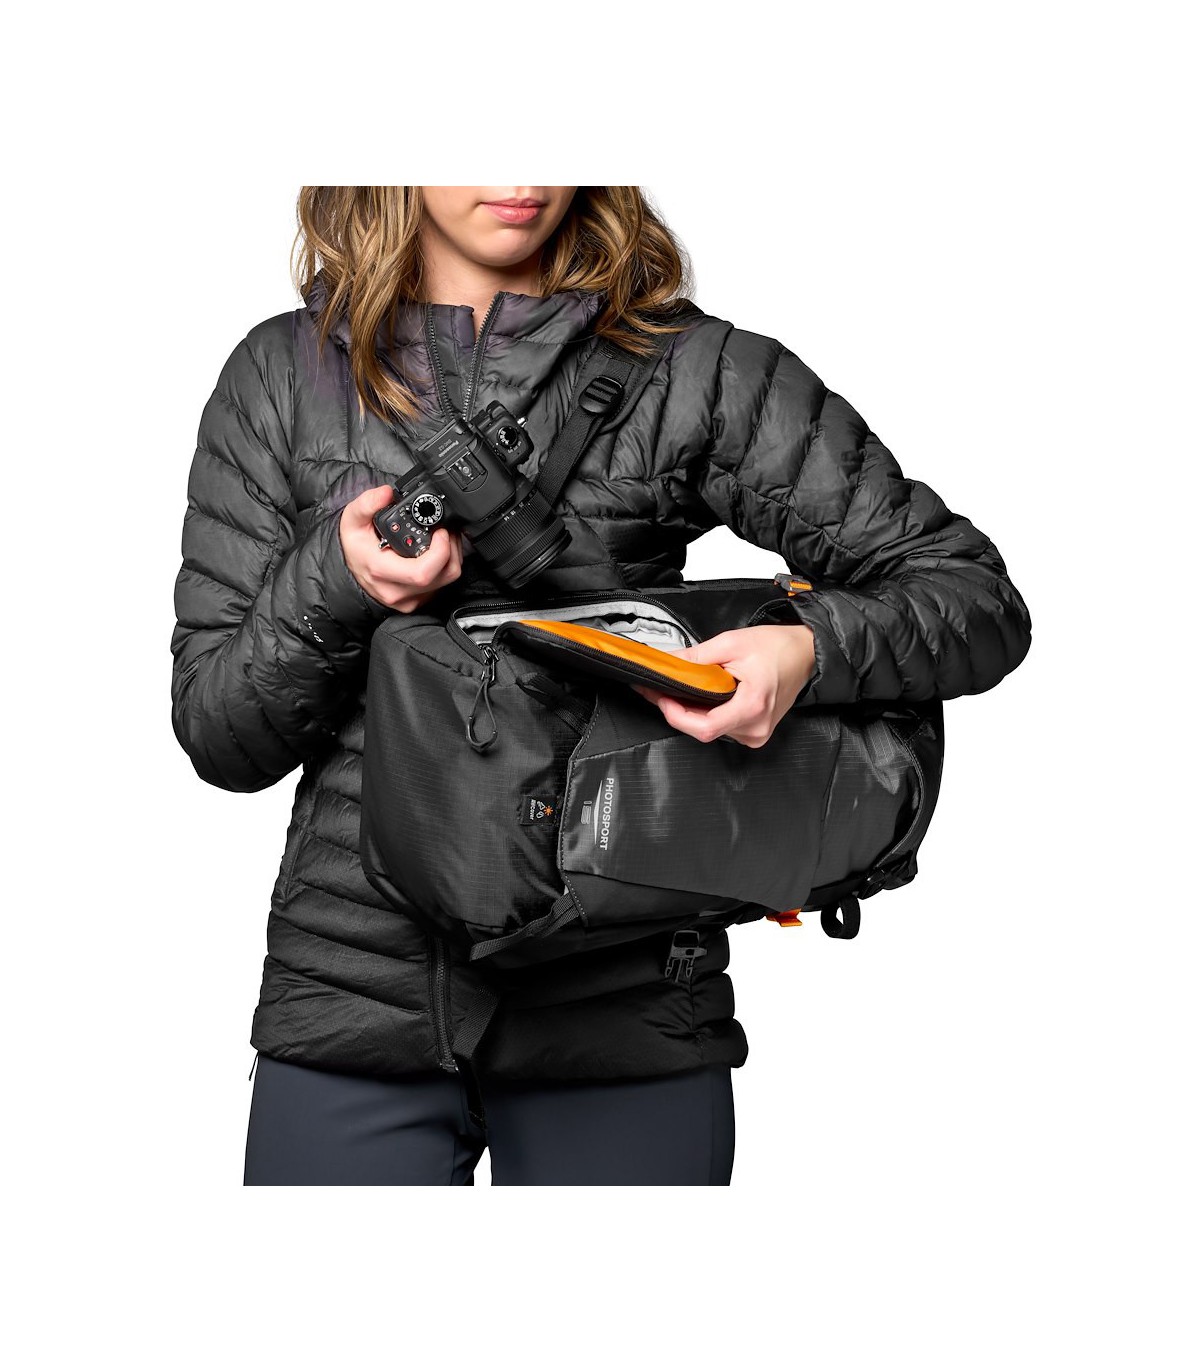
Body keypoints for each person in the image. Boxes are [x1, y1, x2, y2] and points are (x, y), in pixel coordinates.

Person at [169, 186, 1032, 1186]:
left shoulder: (694, 369)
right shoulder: (281, 374)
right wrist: (343, 582)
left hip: (625, 1016)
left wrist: (801, 652)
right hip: (349, 1009)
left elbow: (973, 598)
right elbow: (220, 736)